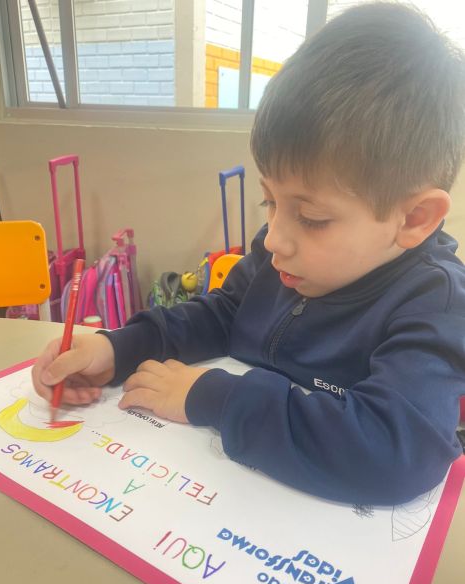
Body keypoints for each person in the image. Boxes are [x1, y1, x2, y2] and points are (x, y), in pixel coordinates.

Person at [33, 2, 465, 505]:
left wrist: (213, 397)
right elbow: (223, 314)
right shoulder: (279, 253)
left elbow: (393, 455)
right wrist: (118, 349)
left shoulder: (435, 302)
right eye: (270, 201)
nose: (274, 237)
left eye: (311, 217)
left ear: (414, 218)